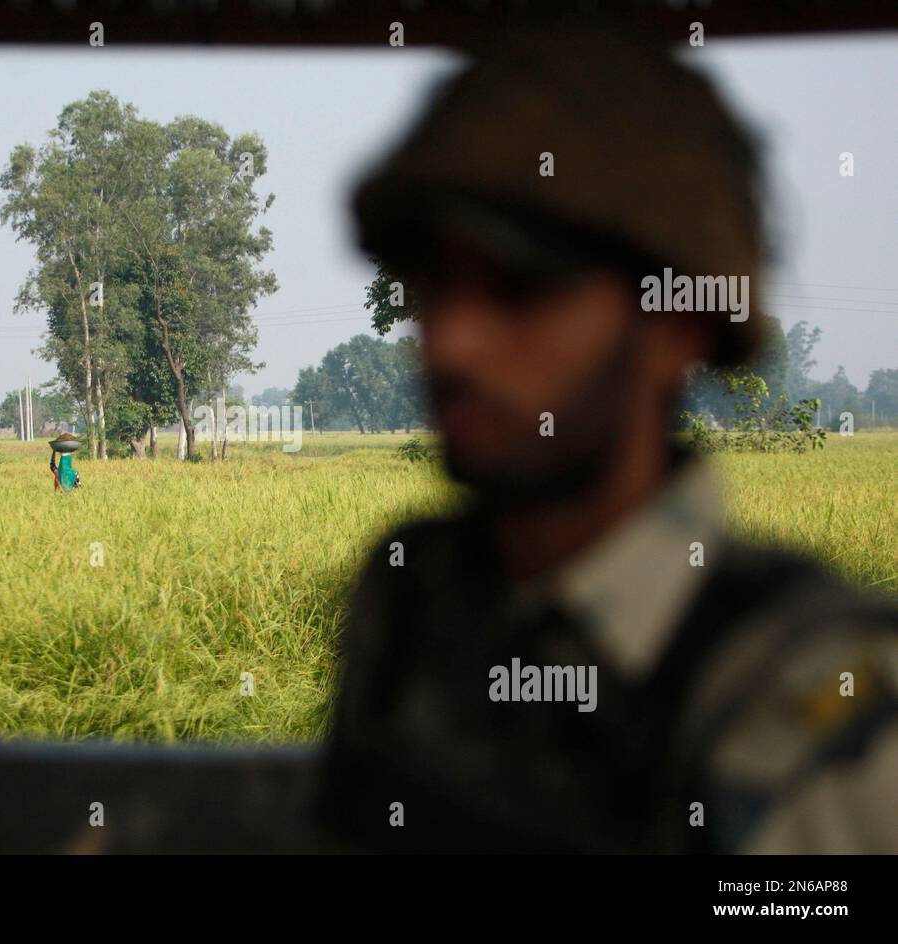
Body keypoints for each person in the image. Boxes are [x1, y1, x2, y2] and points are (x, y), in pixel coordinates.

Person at [316, 29, 897, 853]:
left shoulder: (816, 700)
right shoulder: (412, 601)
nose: (448, 342)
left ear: (679, 327)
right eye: (432, 284)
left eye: (521, 289)